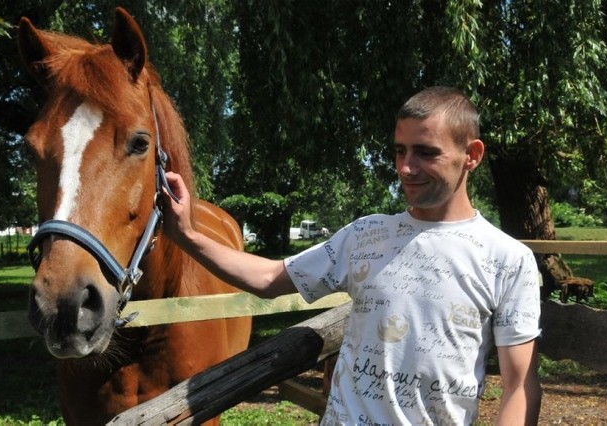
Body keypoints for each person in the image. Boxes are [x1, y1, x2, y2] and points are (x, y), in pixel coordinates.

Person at [162, 86, 542, 425]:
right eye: (400, 150)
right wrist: (187, 235)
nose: (406, 168)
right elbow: (268, 279)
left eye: (426, 153)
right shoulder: (366, 235)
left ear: (471, 155)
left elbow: (519, 385)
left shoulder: (508, 259)